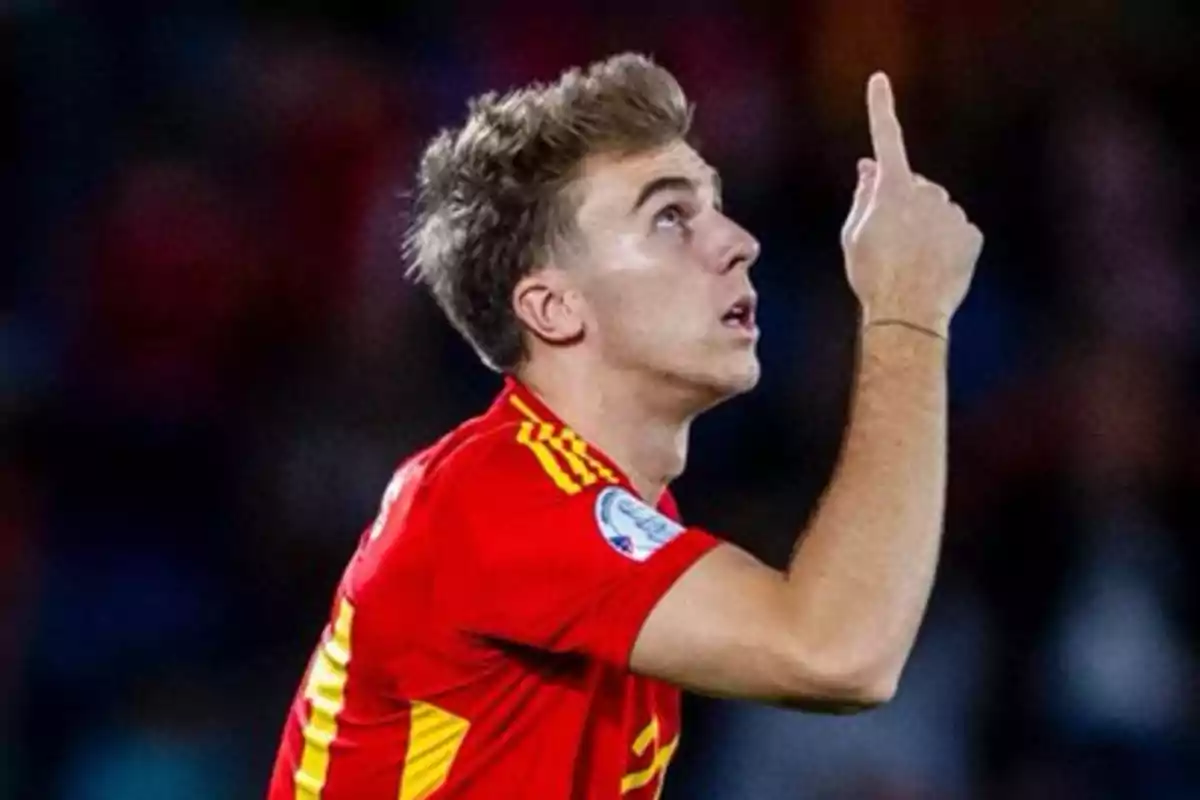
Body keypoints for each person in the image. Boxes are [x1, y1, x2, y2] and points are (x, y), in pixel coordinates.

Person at [266, 52, 983, 799]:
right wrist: (908, 313)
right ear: (553, 307)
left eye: (714, 205)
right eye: (669, 216)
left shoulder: (624, 517)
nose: (739, 240)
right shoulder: (490, 497)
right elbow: (838, 652)